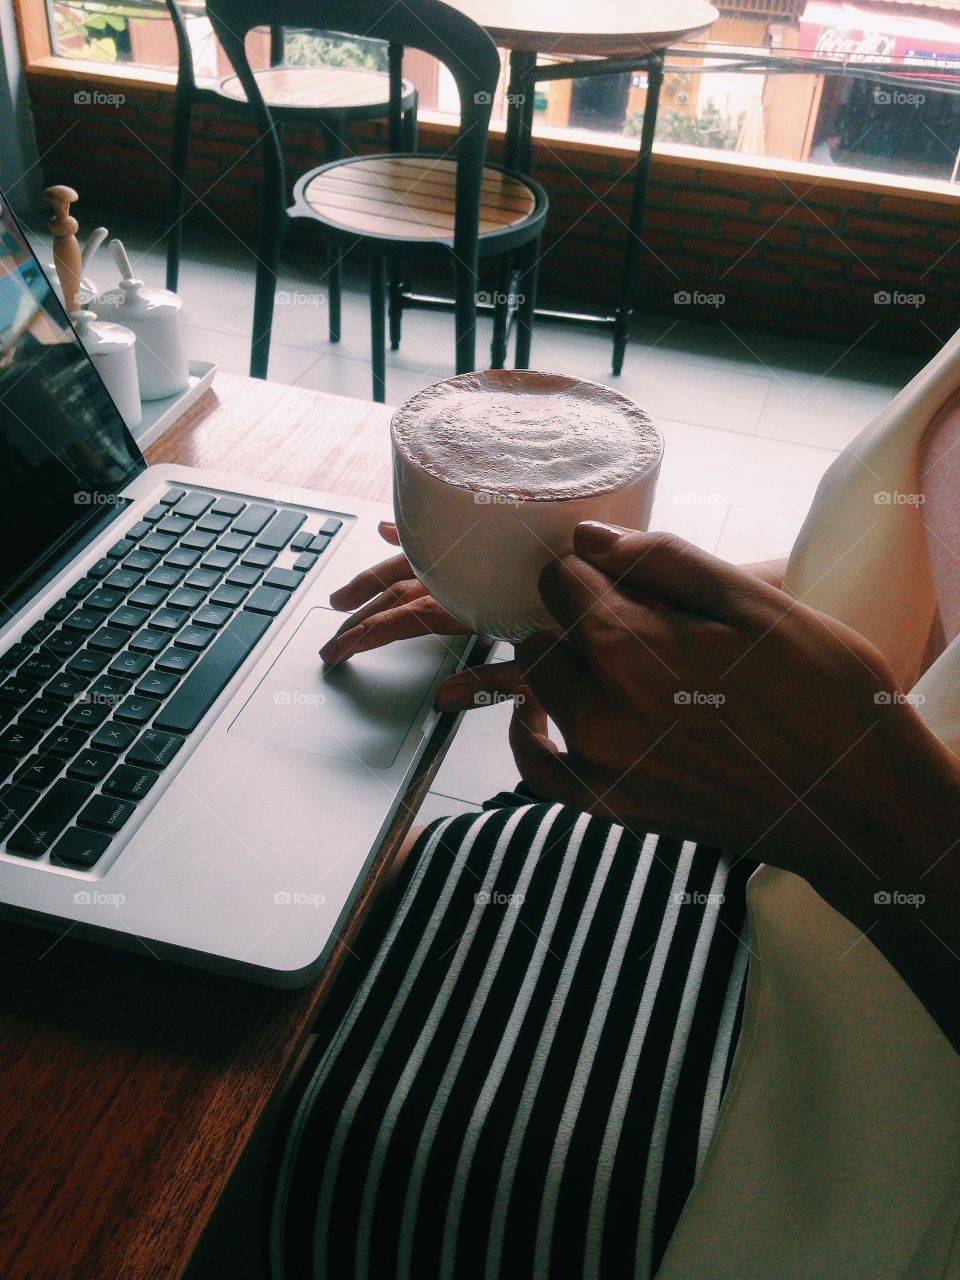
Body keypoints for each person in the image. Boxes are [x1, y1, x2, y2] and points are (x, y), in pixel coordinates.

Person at [265, 332, 960, 1280]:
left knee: (264, 1121)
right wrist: (600, 602)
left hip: (858, 1117)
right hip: (799, 894)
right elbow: (923, 615)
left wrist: (853, 805)